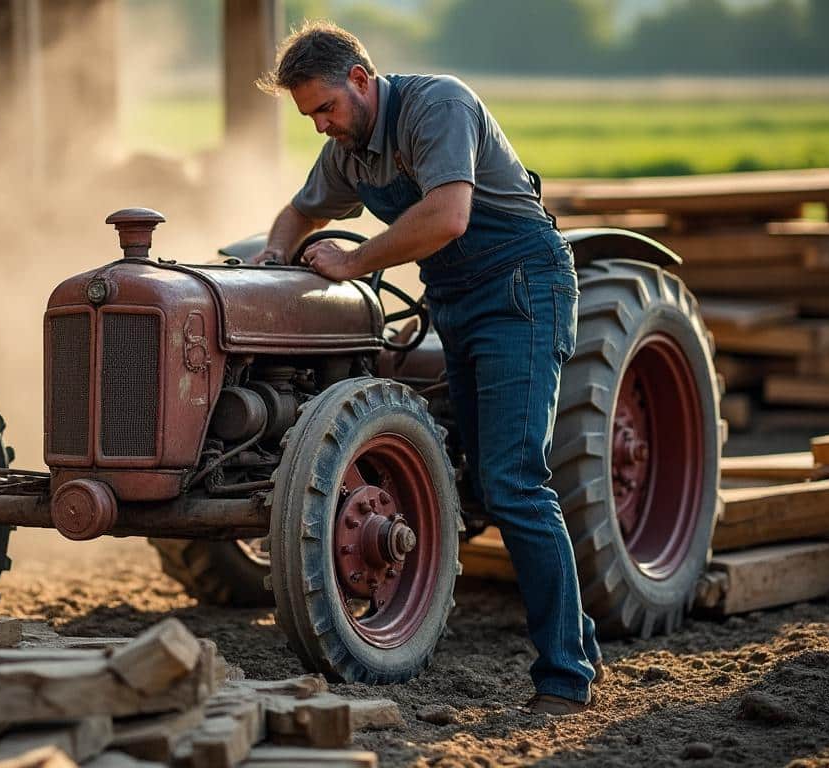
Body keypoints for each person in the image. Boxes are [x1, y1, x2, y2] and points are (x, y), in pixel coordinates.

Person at [255, 20, 602, 715]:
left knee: (513, 483)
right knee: (474, 469)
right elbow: (300, 212)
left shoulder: (436, 106)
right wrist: (269, 265)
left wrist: (353, 261)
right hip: (456, 300)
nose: (321, 125)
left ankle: (566, 676)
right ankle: (568, 640)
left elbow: (448, 215)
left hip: (520, 291)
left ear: (360, 78)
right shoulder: (349, 151)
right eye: (308, 116)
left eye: (326, 107)